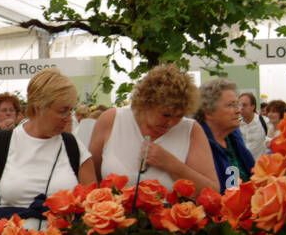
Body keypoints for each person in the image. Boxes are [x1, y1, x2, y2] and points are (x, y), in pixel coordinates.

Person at [0, 69, 95, 235]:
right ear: (39, 107)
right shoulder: (0, 144)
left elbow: (93, 208)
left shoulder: (74, 148)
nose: (68, 119)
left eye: (71, 111)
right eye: (63, 111)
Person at [89, 66, 218, 193]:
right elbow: (91, 178)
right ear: (146, 103)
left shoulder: (191, 130)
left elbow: (212, 191)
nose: (171, 123)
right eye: (165, 115)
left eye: (179, 116)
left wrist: (172, 164)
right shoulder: (112, 119)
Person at [197, 78, 254, 189]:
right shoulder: (199, 144)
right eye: (230, 105)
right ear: (209, 112)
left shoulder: (233, 137)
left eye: (237, 104)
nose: (238, 111)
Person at [237, 92, 268, 160]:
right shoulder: (236, 125)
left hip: (259, 167)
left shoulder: (265, 122)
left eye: (244, 105)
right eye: (239, 105)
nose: (241, 108)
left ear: (253, 107)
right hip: (243, 168)